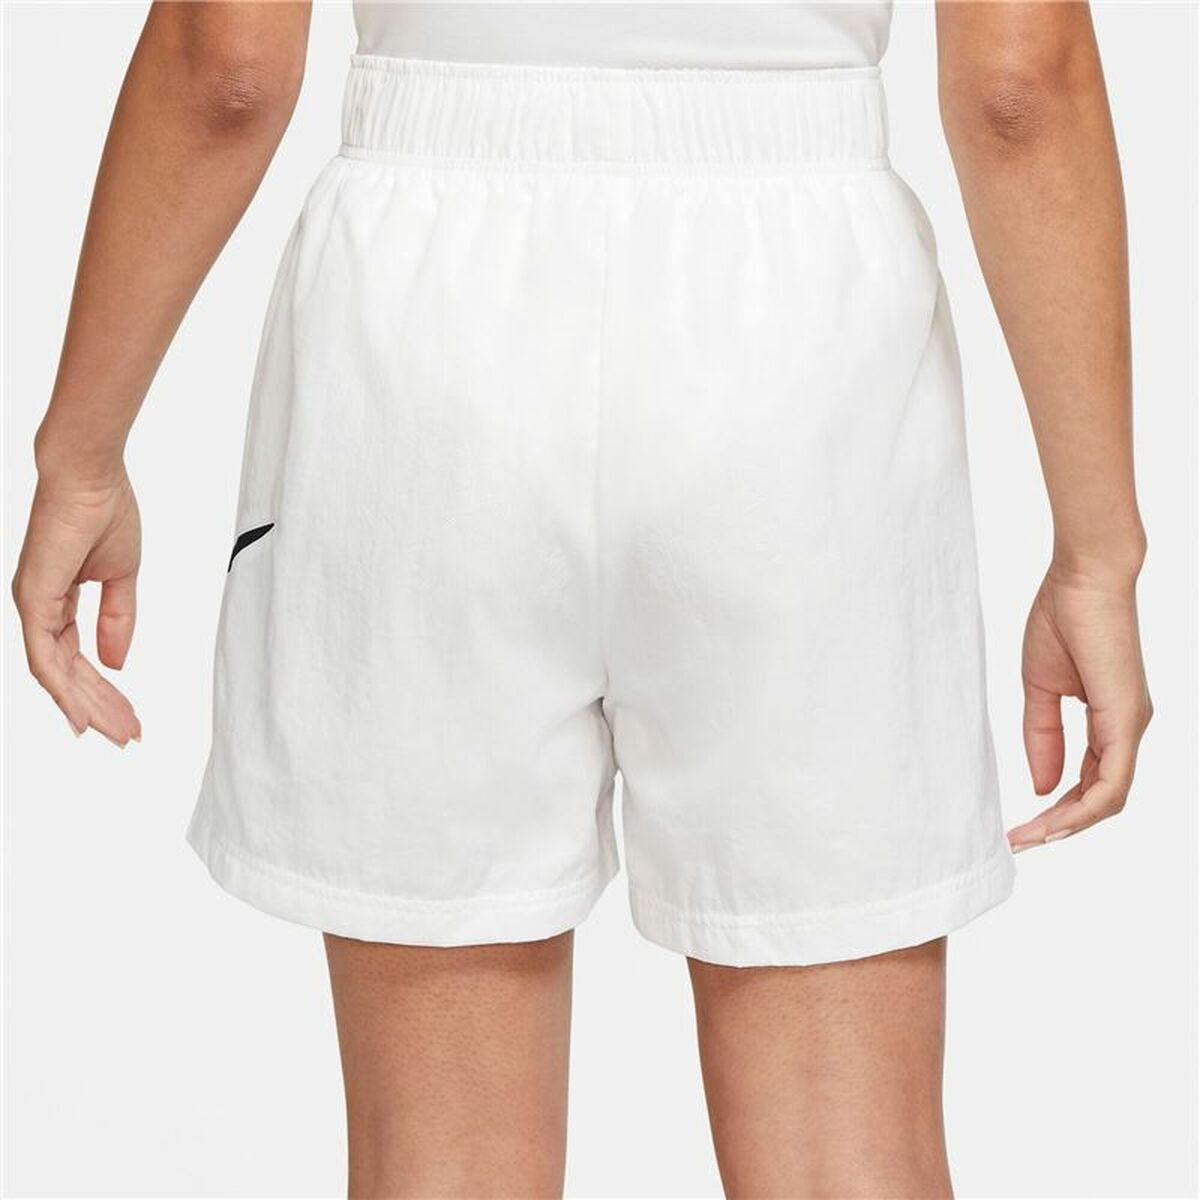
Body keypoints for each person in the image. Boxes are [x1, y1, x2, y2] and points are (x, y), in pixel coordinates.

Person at [12, 2, 1152, 1195]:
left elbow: (227, 65)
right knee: (843, 1159)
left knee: (442, 1165)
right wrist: (1096, 552)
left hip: (425, 324)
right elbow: (1020, 89)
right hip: (803, 336)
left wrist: (81, 454)